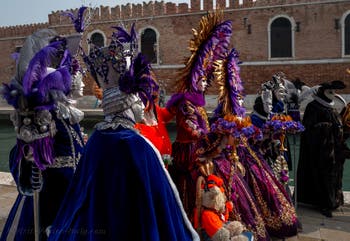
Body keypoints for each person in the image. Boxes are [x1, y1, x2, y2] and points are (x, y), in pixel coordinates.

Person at [47, 24, 199, 241]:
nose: (140, 102)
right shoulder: (137, 145)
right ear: (125, 103)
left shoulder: (97, 139)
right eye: (136, 97)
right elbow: (159, 201)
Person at [0, 29, 85, 241]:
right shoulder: (45, 114)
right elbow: (24, 152)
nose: (75, 81)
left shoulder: (67, 115)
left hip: (75, 189)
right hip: (50, 194)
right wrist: (29, 169)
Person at [166, 10, 232, 220]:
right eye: (202, 80)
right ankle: (192, 219)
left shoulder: (197, 104)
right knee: (197, 180)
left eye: (206, 80)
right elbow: (192, 129)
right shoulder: (186, 104)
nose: (205, 83)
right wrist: (211, 134)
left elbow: (203, 126)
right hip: (189, 152)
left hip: (199, 147)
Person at [296, 80, 347, 218]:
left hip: (333, 150)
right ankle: (324, 204)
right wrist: (326, 128)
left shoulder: (332, 107)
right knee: (323, 176)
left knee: (335, 175)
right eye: (330, 92)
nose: (333, 94)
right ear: (322, 92)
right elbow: (308, 128)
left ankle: (334, 201)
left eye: (334, 92)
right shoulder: (313, 107)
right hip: (320, 151)